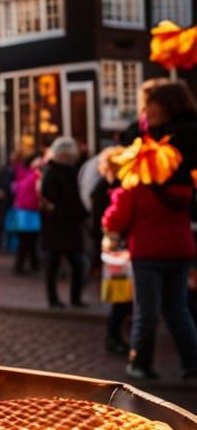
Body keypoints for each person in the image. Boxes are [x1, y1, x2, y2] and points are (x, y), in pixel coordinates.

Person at [102, 148, 197, 381]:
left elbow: (115, 218)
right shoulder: (182, 186)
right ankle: (192, 362)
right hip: (180, 251)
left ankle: (140, 363)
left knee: (146, 310)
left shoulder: (135, 186)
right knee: (178, 310)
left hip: (148, 253)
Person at [40, 137, 89, 308]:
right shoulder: (51, 172)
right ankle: (54, 300)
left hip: (70, 225)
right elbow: (50, 201)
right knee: (54, 264)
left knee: (77, 263)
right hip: (57, 226)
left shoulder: (71, 171)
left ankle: (75, 298)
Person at [89, 147, 129, 354]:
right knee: (121, 297)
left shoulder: (111, 185)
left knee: (123, 298)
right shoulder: (105, 188)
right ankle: (113, 337)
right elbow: (100, 223)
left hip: (116, 247)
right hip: (115, 249)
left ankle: (117, 336)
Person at [10, 156, 42, 274]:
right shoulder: (36, 176)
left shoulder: (23, 174)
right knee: (29, 240)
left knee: (26, 241)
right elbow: (38, 193)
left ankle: (32, 264)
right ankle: (24, 265)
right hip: (30, 212)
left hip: (21, 212)